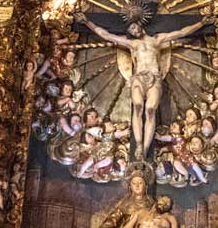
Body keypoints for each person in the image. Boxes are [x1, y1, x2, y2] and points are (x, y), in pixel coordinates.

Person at [79, 13, 207, 160]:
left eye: (134, 26)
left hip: (154, 78)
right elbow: (106, 35)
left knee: (151, 110)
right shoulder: (132, 44)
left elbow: (182, 32)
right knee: (138, 106)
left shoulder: (157, 40)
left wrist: (201, 23)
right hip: (138, 78)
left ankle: (145, 148)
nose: (134, 30)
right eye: (131, 30)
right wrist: (87, 22)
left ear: (140, 24)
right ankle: (139, 145)